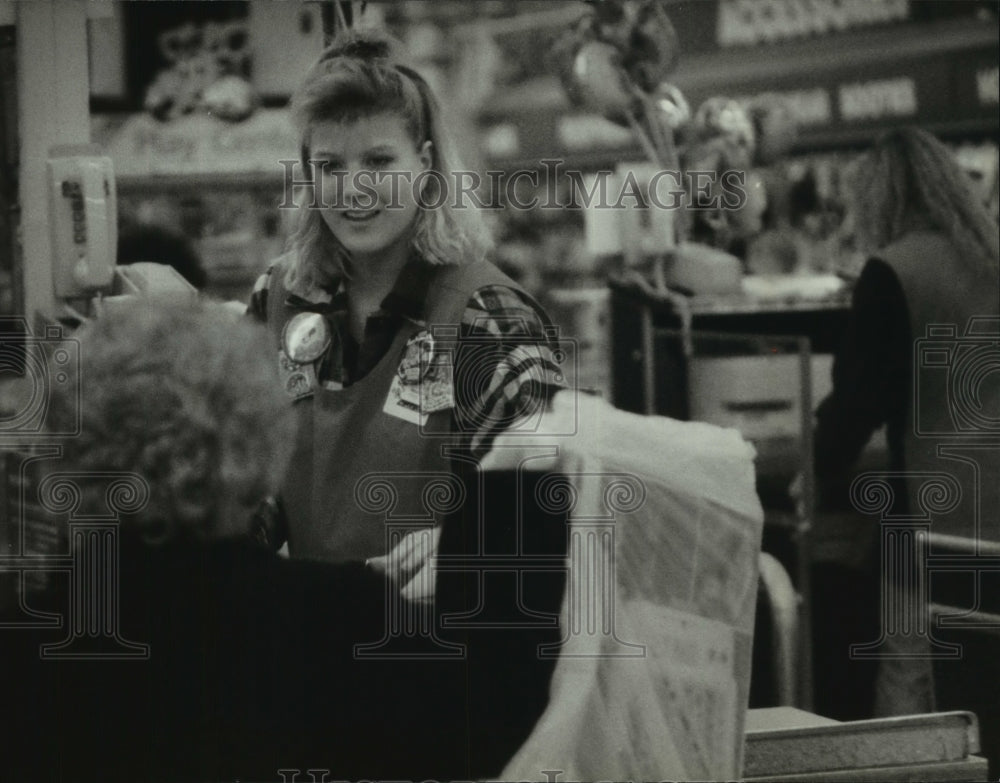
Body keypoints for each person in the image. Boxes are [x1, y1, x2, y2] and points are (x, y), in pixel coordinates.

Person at [0, 301, 563, 782]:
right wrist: (511, 484)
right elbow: (501, 719)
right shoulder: (335, 626)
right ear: (259, 437)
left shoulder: (29, 638)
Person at [246, 30, 565, 567]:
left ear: (424, 165)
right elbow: (254, 485)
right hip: (306, 632)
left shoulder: (489, 320)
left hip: (440, 638)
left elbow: (537, 517)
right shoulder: (277, 299)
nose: (355, 190)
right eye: (330, 167)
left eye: (378, 162)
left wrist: (459, 547)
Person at [808, 127, 1000, 719]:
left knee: (912, 674)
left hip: (939, 509)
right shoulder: (991, 256)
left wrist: (815, 470)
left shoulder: (893, 271)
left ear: (882, 198)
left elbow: (858, 401)